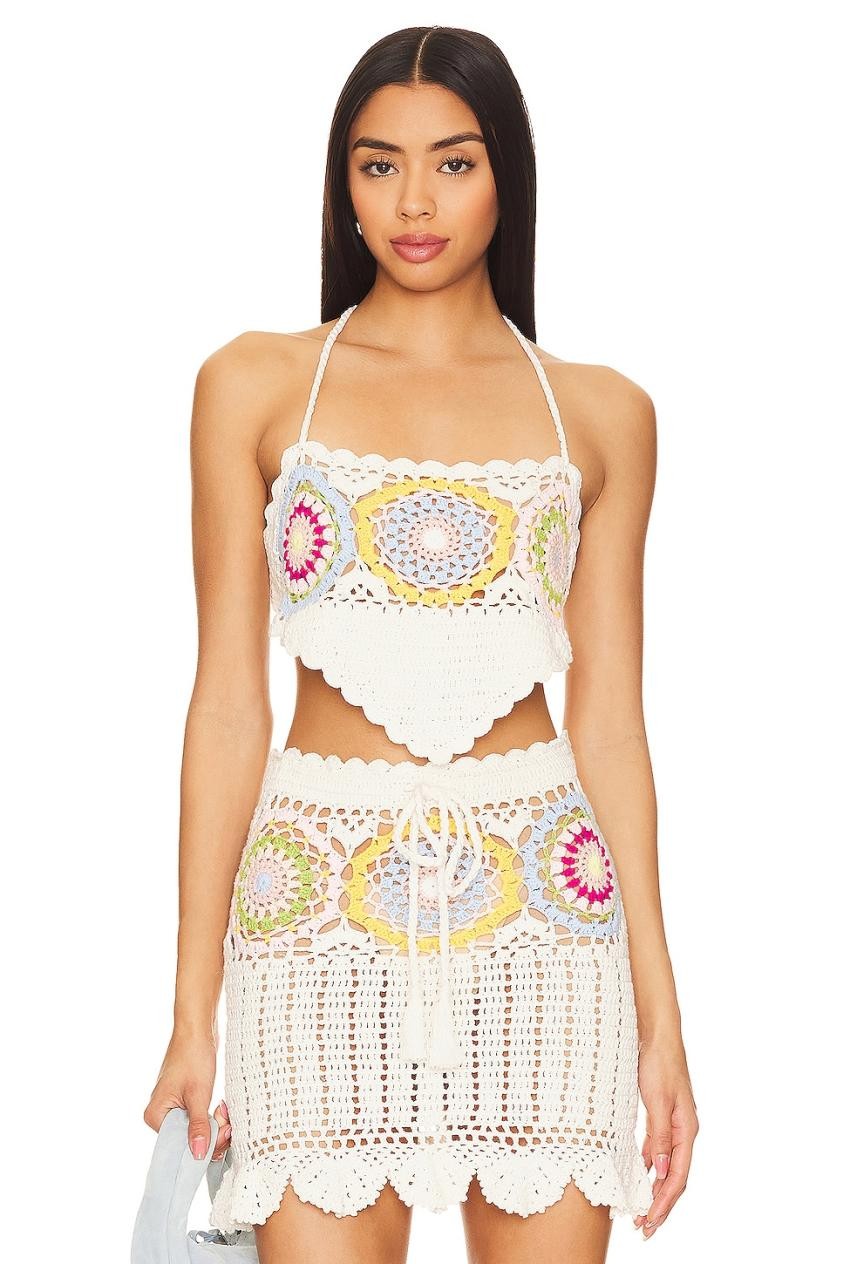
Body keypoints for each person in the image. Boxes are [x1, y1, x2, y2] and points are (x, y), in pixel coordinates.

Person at [143, 24, 698, 1264]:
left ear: (508, 176)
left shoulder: (604, 413)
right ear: (342, 183)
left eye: (453, 162)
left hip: (545, 918)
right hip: (313, 915)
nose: (413, 202)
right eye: (378, 164)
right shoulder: (253, 385)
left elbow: (611, 725)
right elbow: (227, 702)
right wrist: (191, 1008)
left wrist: (662, 1019)